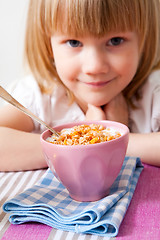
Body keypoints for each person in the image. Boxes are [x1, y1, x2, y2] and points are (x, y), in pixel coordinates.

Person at [0, 0, 160, 171]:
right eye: (74, 43)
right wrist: (79, 144)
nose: (94, 67)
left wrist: (112, 140)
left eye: (115, 41)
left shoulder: (151, 97)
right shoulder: (41, 96)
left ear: (143, 40)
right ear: (49, 45)